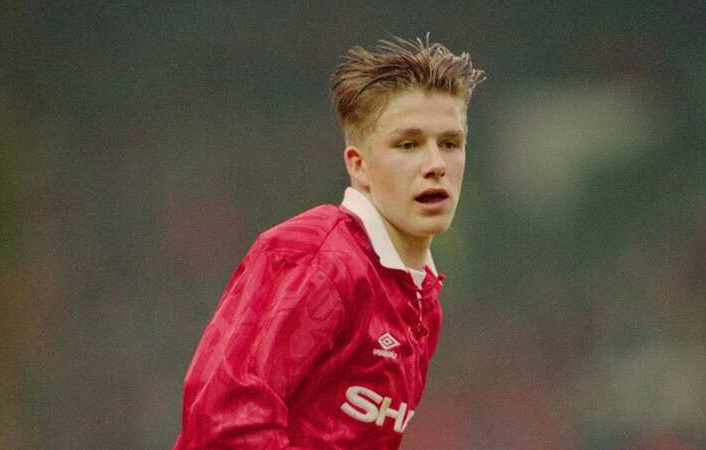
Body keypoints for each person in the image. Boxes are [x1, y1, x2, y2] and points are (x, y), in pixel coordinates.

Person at [173, 35, 484, 449]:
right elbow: (228, 423)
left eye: (450, 143)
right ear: (359, 166)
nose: (435, 165)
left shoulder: (421, 300)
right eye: (408, 145)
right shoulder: (314, 256)